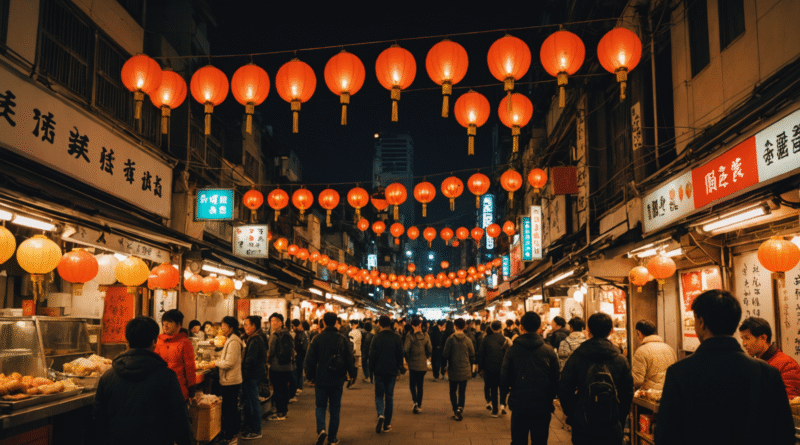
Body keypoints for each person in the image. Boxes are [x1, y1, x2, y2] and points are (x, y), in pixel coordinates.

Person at [655, 290, 795, 444]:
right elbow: (785, 433)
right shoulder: (767, 372)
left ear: (701, 322)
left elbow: (665, 436)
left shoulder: (679, 372)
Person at [93, 316, 191, 445]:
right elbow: (179, 419)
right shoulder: (167, 376)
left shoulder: (107, 376)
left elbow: (98, 419)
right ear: (154, 342)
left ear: (127, 341)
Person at [558, 312, 634, 445]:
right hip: (611, 423)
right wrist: (619, 416)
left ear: (588, 330)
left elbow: (564, 388)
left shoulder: (577, 356)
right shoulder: (621, 359)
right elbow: (627, 392)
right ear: (610, 331)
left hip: (583, 423)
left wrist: (572, 413)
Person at [501, 311, 560, 445]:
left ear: (522, 327)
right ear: (539, 328)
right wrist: (550, 398)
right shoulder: (549, 350)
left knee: (518, 440)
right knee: (540, 440)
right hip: (542, 404)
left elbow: (504, 376)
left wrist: (504, 397)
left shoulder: (513, 350)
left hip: (519, 403)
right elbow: (555, 379)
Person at [305, 312, 357, 445]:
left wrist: (310, 376)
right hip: (337, 378)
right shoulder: (342, 339)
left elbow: (310, 360)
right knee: (335, 408)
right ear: (336, 322)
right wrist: (352, 374)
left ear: (323, 322)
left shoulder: (317, 338)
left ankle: (321, 430)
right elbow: (349, 359)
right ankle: (332, 438)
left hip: (321, 378)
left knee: (320, 406)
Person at [739, 316, 800, 398]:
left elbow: (789, 401)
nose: (744, 344)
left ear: (763, 338)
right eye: (742, 339)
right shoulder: (753, 364)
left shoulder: (787, 365)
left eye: (747, 338)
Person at [369, 315, 405, 433]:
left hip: (378, 371)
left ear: (379, 324)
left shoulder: (376, 338)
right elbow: (400, 354)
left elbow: (372, 356)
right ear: (390, 324)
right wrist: (400, 367)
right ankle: (387, 424)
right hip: (391, 371)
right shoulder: (397, 337)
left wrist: (370, 371)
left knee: (379, 396)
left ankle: (380, 414)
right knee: (389, 397)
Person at [210, 316, 243, 445]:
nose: (222, 328)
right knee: (231, 408)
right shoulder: (230, 339)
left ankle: (230, 436)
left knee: (229, 409)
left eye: (224, 326)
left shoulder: (234, 341)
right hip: (229, 379)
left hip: (231, 381)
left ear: (230, 328)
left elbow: (229, 363)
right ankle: (232, 434)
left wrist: (215, 363)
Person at [154, 309, 196, 401]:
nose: (165, 324)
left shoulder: (185, 343)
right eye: (164, 321)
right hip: (160, 389)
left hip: (179, 389)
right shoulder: (158, 341)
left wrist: (191, 387)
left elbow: (190, 367)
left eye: (169, 321)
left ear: (179, 325)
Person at [442, 318, 475, 421]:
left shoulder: (450, 339)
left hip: (453, 369)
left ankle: (455, 409)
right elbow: (472, 354)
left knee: (452, 391)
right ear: (464, 326)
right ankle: (460, 409)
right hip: (465, 369)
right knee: (462, 391)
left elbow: (445, 354)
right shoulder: (468, 340)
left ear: (455, 326)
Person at [240, 316, 267, 440]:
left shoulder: (255, 340)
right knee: (251, 401)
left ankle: (257, 430)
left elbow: (250, 360)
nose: (245, 327)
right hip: (255, 374)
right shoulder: (254, 338)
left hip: (252, 375)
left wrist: (244, 374)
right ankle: (251, 426)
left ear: (254, 326)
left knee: (254, 402)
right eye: (244, 325)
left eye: (247, 325)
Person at [630, 319, 676, 391]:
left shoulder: (641, 351)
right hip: (669, 391)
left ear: (639, 333)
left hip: (650, 394)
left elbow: (637, 380)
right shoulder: (669, 348)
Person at [477, 320, 510, 417]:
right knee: (503, 387)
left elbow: (481, 354)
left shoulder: (486, 339)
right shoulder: (505, 339)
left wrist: (481, 368)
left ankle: (495, 410)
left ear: (491, 328)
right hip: (503, 368)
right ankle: (503, 405)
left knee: (493, 388)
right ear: (501, 329)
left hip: (490, 368)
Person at [266, 313, 294, 421]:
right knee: (284, 389)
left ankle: (280, 413)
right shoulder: (288, 334)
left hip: (277, 367)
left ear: (281, 323)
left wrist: (267, 359)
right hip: (288, 367)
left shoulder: (275, 335)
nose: (274, 323)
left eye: (276, 321)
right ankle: (284, 410)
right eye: (272, 321)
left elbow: (271, 352)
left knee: (278, 390)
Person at [404, 318, 432, 413]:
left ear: (412, 325)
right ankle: (419, 404)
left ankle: (415, 401)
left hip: (413, 364)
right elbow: (430, 349)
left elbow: (405, 350)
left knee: (412, 384)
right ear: (420, 324)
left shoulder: (410, 336)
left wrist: (408, 359)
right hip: (422, 364)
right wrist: (425, 356)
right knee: (420, 385)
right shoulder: (425, 335)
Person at [291, 319, 309, 399]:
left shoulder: (299, 334)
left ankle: (299, 387)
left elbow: (304, 346)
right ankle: (298, 387)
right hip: (300, 355)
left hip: (299, 355)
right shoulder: (301, 334)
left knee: (297, 372)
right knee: (299, 371)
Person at [348, 319, 362, 384]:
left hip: (353, 351)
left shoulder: (351, 333)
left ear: (353, 325)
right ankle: (354, 378)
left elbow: (352, 342)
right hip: (358, 351)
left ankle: (351, 378)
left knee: (351, 365)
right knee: (356, 365)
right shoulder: (359, 332)